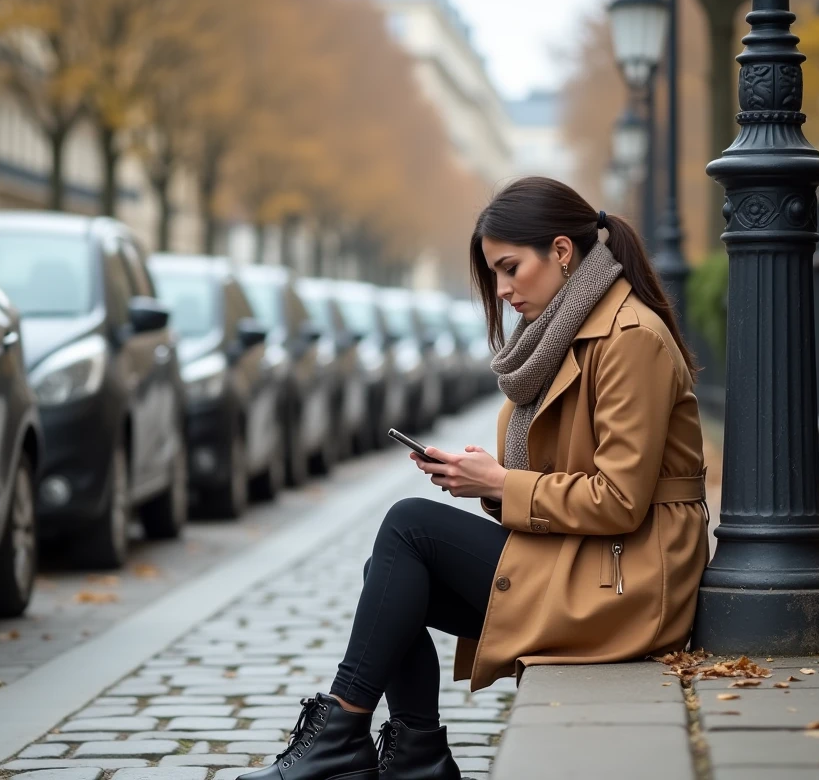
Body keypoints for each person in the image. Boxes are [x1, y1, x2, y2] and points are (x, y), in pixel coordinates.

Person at [239, 177, 709, 780]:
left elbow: (618, 501)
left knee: (408, 529)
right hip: (590, 557)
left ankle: (349, 730)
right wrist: (481, 480)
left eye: (510, 268)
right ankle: (413, 754)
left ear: (562, 252)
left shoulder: (629, 337)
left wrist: (496, 484)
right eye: (494, 274)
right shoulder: (562, 333)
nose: (503, 289)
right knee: (391, 577)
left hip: (632, 576)